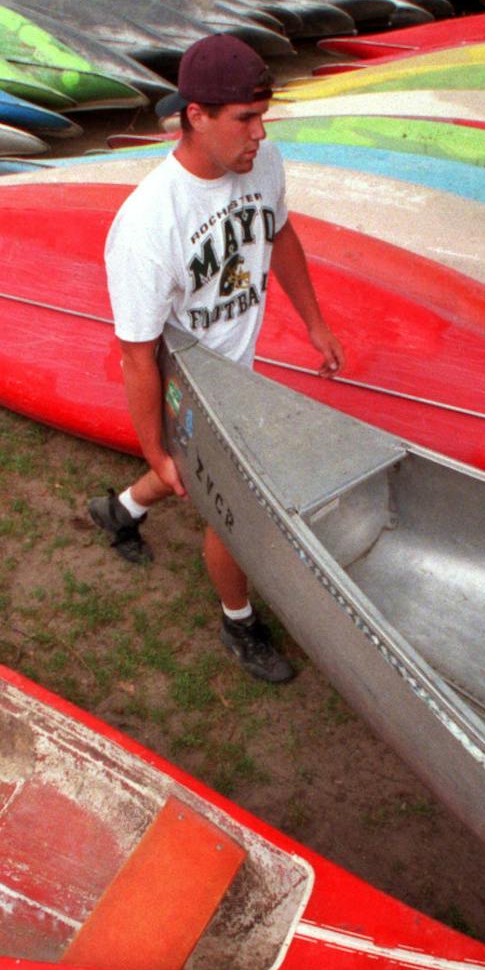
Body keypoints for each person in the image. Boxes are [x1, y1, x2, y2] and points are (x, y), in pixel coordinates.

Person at [88, 33, 344, 683]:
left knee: (191, 477)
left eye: (264, 116)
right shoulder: (150, 223)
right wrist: (154, 447)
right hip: (190, 382)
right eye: (245, 119)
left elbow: (278, 231)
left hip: (238, 373)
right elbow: (137, 355)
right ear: (195, 115)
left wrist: (314, 321)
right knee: (233, 513)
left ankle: (119, 511)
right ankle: (239, 621)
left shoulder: (260, 165)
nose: (260, 134)